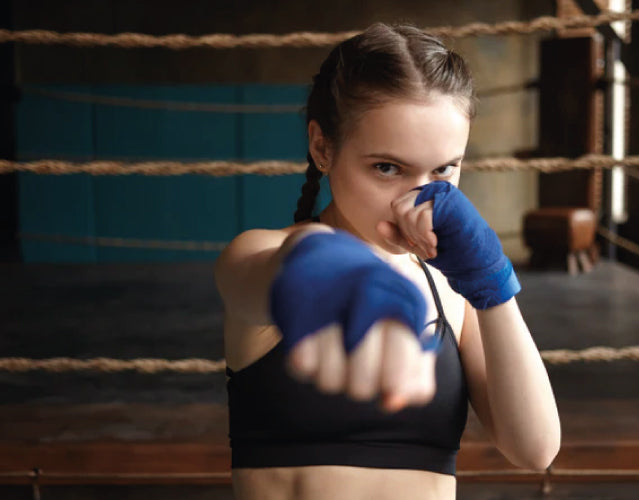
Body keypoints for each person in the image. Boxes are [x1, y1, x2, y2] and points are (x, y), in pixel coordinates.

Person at [214, 22, 560, 500]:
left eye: (443, 170)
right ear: (322, 147)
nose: (414, 201)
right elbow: (275, 278)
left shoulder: (453, 291)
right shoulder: (258, 253)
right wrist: (345, 277)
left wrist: (492, 279)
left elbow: (535, 448)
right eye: (387, 168)